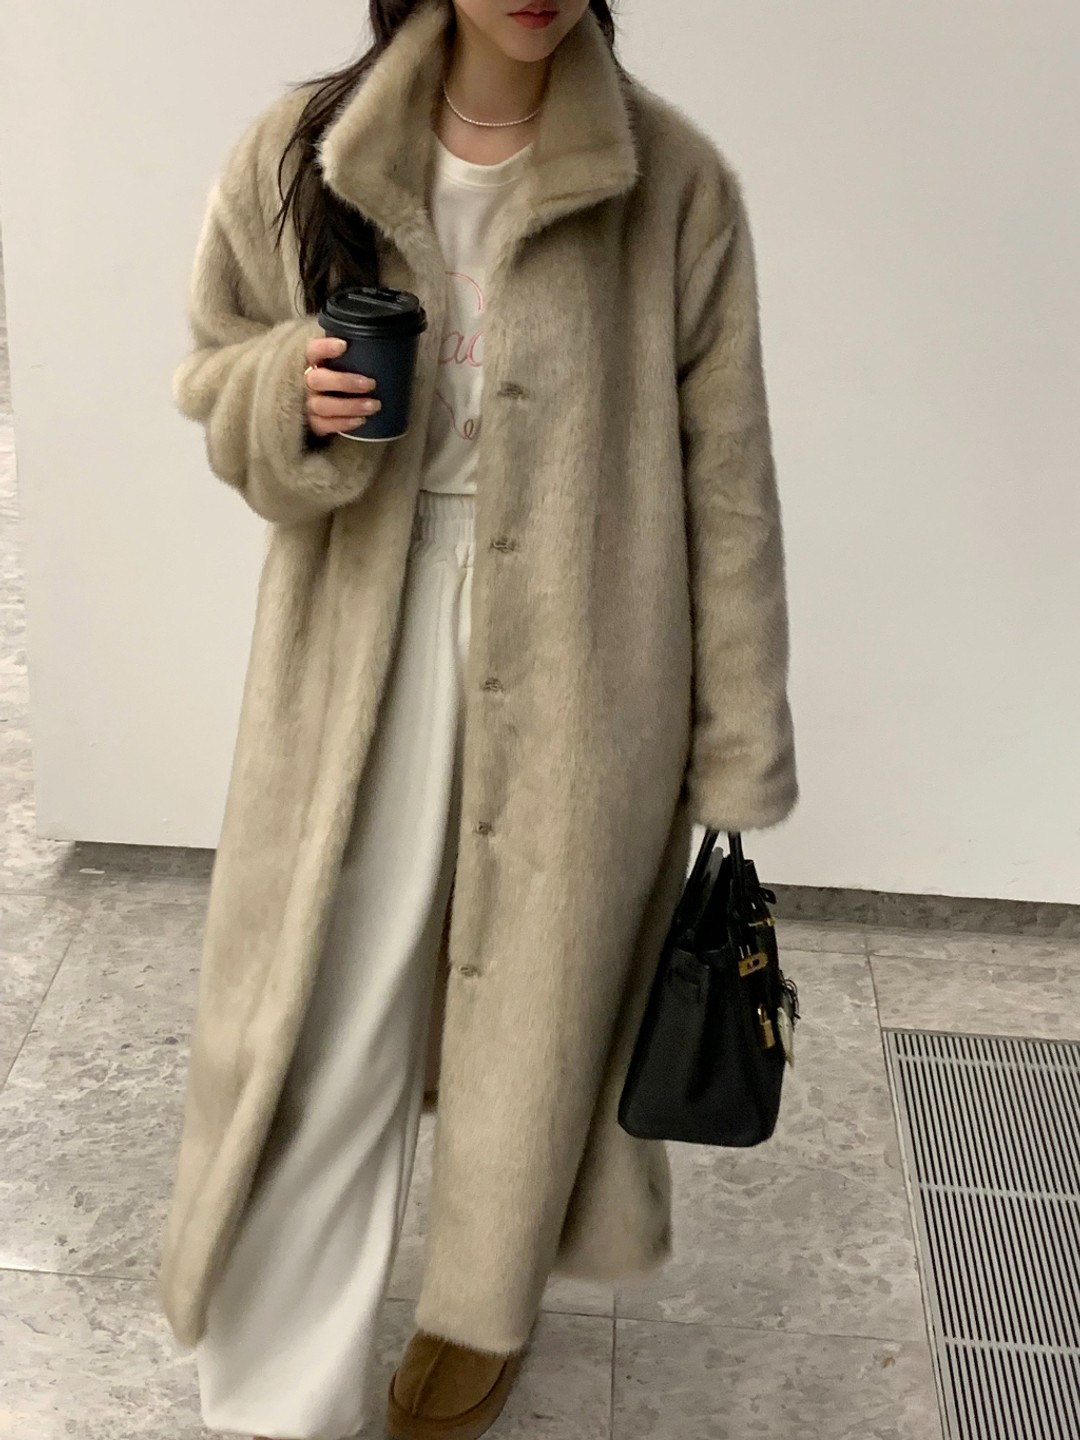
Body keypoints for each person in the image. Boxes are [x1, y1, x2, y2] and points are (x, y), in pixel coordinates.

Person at [157, 0, 799, 1436]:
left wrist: (736, 744)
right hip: (361, 636)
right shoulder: (304, 151)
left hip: (590, 663)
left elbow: (730, 479)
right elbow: (211, 364)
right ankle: (280, 1393)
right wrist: (287, 391)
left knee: (536, 1014)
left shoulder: (673, 181)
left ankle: (478, 1311)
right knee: (329, 1009)